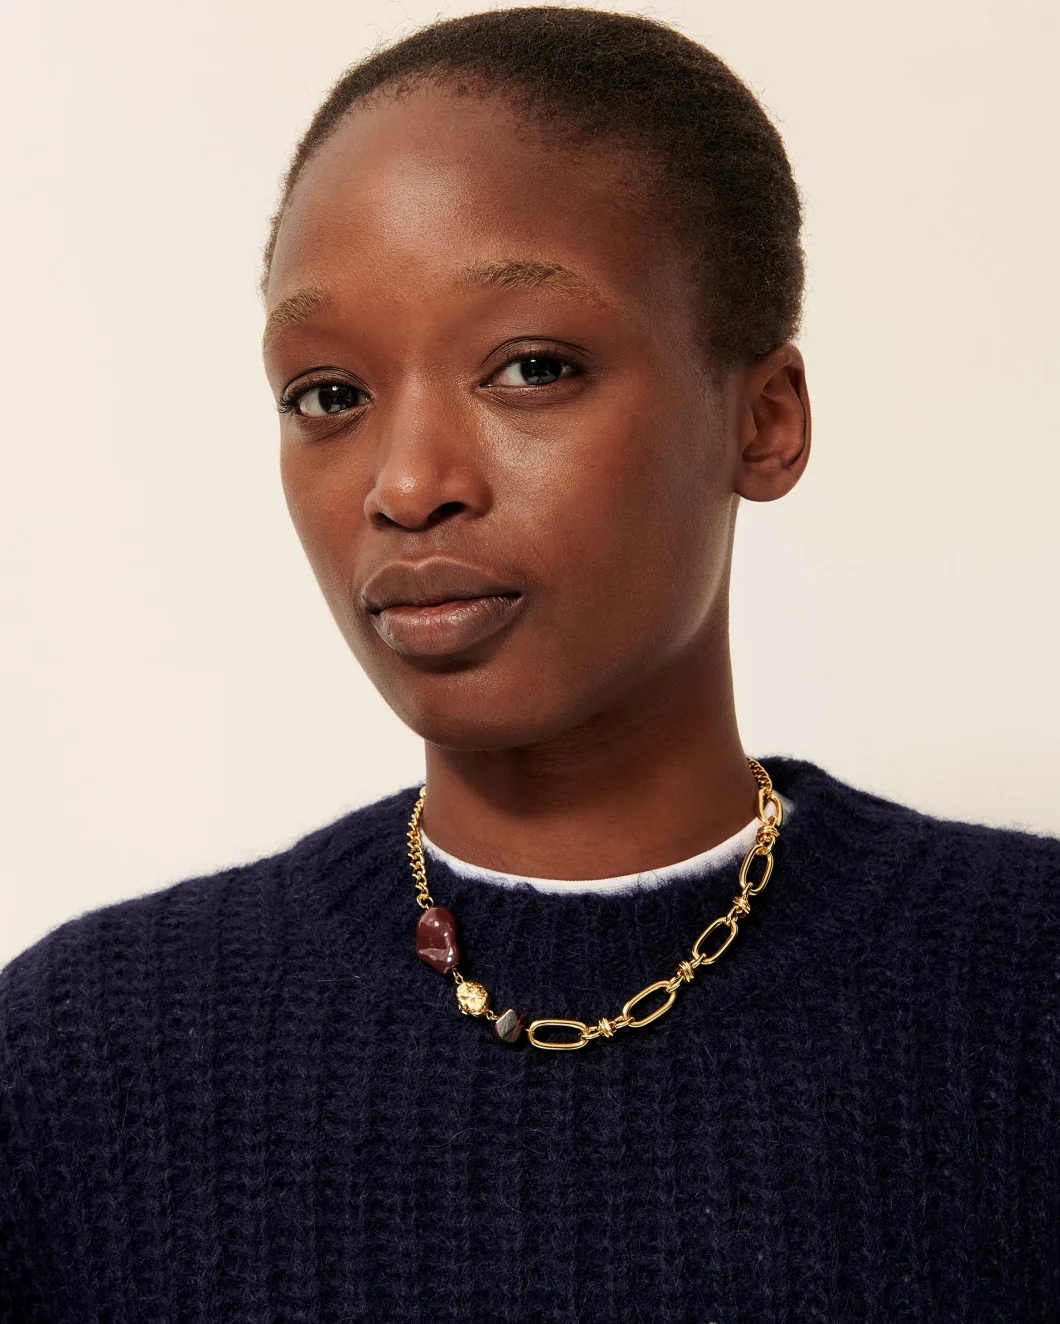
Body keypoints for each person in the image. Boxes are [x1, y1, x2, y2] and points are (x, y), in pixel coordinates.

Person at [1, 7, 1056, 1321]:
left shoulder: (1025, 994)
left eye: (531, 368)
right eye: (328, 395)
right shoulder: (85, 1063)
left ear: (764, 420)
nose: (407, 485)